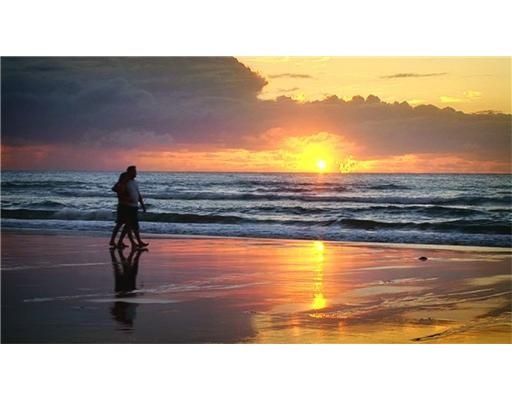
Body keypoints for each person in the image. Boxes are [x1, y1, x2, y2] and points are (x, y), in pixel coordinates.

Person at [117, 165, 149, 248]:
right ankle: (136, 242)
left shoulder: (135, 182)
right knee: (130, 225)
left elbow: (138, 194)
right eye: (134, 171)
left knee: (131, 226)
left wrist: (142, 205)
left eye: (135, 171)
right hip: (128, 207)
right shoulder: (125, 182)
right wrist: (126, 200)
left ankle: (123, 241)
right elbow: (119, 193)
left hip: (134, 206)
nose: (136, 173)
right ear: (130, 172)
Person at [109, 172, 136, 248]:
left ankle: (117, 241)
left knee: (123, 224)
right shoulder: (121, 185)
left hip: (124, 206)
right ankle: (115, 241)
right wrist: (129, 199)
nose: (128, 178)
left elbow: (114, 189)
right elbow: (120, 195)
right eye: (127, 177)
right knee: (124, 224)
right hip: (123, 206)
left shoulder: (121, 184)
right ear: (124, 178)